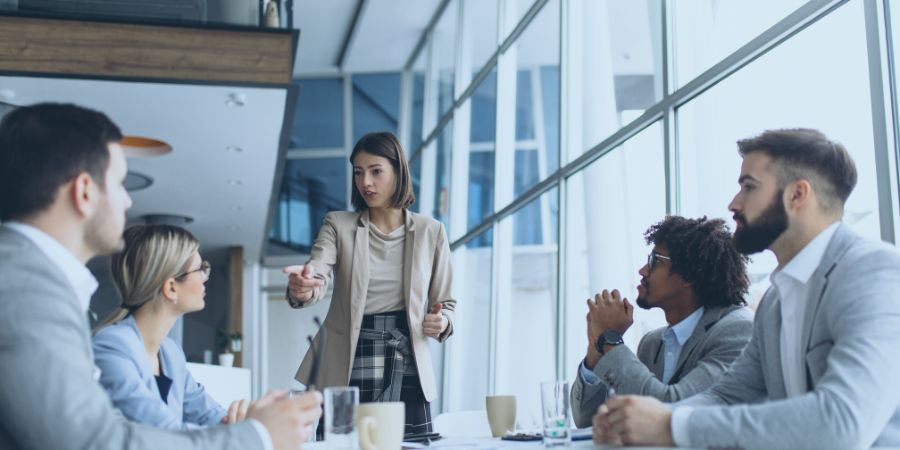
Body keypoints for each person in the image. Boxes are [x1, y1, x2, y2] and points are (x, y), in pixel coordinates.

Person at [0, 102, 321, 449]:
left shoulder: (33, 280)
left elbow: (107, 425)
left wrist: (249, 426)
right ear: (84, 192)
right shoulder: (25, 289)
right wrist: (257, 435)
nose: (126, 202)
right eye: (120, 183)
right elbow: (95, 442)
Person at [592, 129, 900, 449]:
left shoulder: (874, 272)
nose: (734, 203)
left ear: (797, 195)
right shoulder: (775, 301)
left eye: (749, 187)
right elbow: (728, 396)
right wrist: (636, 422)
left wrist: (671, 425)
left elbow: (842, 422)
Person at [284, 131, 456, 435]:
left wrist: (441, 323)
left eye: (376, 171)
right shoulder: (338, 224)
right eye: (359, 172)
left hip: (407, 360)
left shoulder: (432, 231)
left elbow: (447, 303)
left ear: (398, 172)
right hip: (348, 358)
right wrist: (304, 286)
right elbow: (317, 270)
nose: (366, 182)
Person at [571, 216, 752, 428]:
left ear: (688, 276)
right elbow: (587, 420)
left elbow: (673, 409)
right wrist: (597, 349)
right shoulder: (652, 343)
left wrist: (610, 340)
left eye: (655, 261)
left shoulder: (736, 330)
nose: (642, 271)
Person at [93, 224, 251, 429]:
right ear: (171, 288)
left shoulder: (171, 352)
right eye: (200, 269)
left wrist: (240, 422)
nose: (205, 277)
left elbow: (208, 414)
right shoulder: (112, 345)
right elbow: (160, 432)